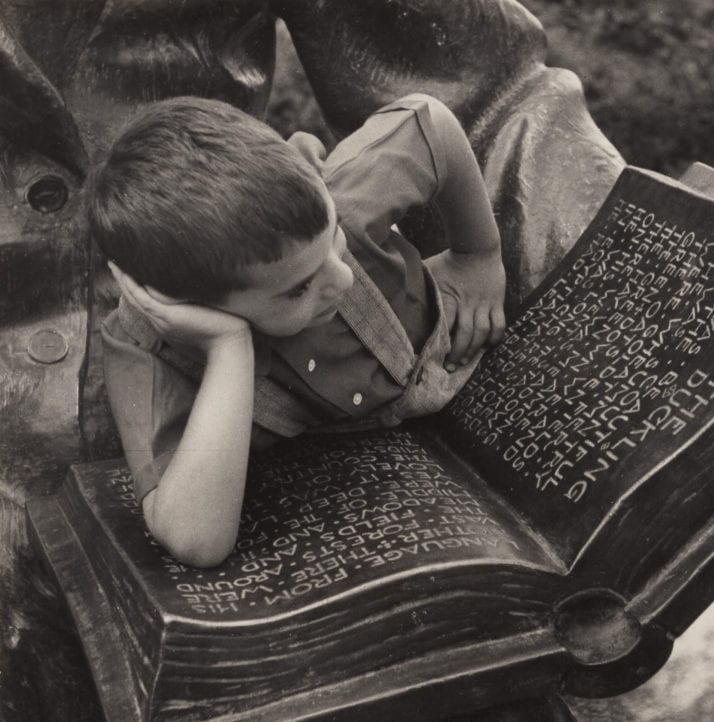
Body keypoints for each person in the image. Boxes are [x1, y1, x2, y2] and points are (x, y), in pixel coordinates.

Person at [87, 93, 507, 568]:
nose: (340, 279)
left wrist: (478, 254)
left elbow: (429, 120)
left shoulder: (334, 197)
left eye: (334, 241)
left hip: (464, 362)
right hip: (362, 483)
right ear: (188, 306)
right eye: (298, 290)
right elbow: (196, 541)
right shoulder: (149, 352)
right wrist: (227, 347)